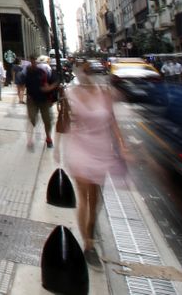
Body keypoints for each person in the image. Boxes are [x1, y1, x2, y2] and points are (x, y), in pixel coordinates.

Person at [64, 62, 130, 269]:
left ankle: (90, 235)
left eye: (89, 72)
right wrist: (58, 145)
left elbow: (113, 122)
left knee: (96, 200)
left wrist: (122, 147)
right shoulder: (69, 94)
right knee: (84, 197)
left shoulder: (105, 93)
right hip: (79, 149)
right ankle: (89, 245)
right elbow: (64, 123)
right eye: (82, 72)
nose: (86, 76)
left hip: (101, 150)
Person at [24, 54, 60, 150]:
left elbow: (56, 82)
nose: (33, 63)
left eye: (35, 61)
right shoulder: (28, 71)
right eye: (32, 61)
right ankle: (30, 139)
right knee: (32, 119)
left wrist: (49, 89)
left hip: (44, 100)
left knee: (47, 121)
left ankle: (48, 138)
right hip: (32, 99)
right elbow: (26, 84)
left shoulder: (47, 70)